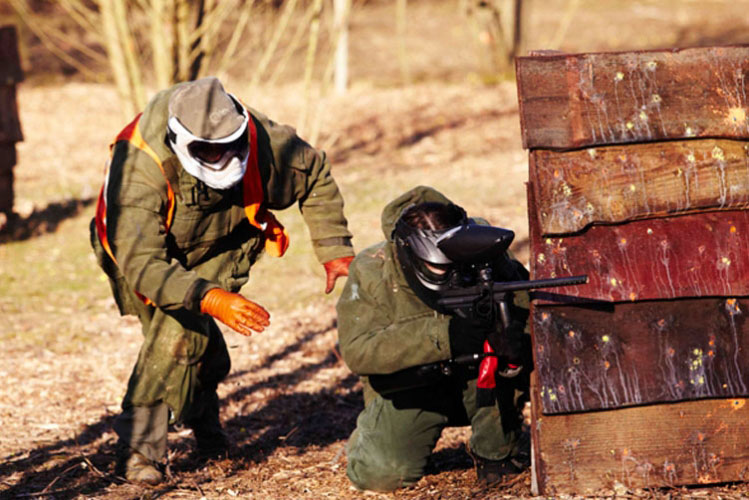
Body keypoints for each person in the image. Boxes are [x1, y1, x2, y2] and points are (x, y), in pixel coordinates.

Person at [89, 77, 354, 485]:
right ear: (179, 139)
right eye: (208, 150)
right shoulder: (141, 165)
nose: (222, 156)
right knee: (182, 340)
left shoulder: (263, 138)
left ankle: (174, 443)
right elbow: (143, 263)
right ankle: (163, 443)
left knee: (190, 344)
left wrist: (334, 247)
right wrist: (209, 299)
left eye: (231, 146)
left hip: (221, 243)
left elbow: (314, 173)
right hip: (142, 257)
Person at [336, 186, 531, 492]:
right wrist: (445, 336)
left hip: (482, 381)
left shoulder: (485, 250)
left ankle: (495, 451)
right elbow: (359, 351)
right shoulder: (374, 269)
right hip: (414, 390)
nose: (451, 277)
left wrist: (512, 336)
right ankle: (370, 438)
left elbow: (527, 307)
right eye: (439, 267)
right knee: (379, 475)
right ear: (407, 251)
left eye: (456, 266)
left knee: (503, 471)